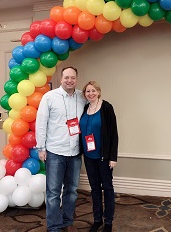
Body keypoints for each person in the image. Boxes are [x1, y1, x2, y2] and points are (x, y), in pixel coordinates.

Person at [36, 66, 87, 232]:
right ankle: (54, 226)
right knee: (53, 193)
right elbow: (41, 123)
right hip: (55, 151)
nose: (69, 80)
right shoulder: (49, 97)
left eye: (73, 78)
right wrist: (41, 148)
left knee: (71, 191)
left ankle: (67, 221)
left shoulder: (82, 97)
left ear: (76, 79)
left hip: (75, 152)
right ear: (61, 78)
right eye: (66, 77)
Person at [79, 81, 118, 232]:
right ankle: (97, 220)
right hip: (89, 156)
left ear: (99, 92)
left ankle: (108, 222)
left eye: (93, 90)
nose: (90, 93)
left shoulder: (106, 107)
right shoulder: (85, 108)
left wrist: (113, 157)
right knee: (94, 189)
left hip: (104, 157)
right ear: (85, 94)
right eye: (87, 91)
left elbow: (114, 133)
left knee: (107, 188)